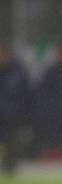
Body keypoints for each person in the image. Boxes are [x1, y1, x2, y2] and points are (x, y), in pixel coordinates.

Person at [0, 41, 30, 175]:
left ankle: (10, 166)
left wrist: (23, 113)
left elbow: (26, 94)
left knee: (11, 140)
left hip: (13, 114)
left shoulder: (18, 71)